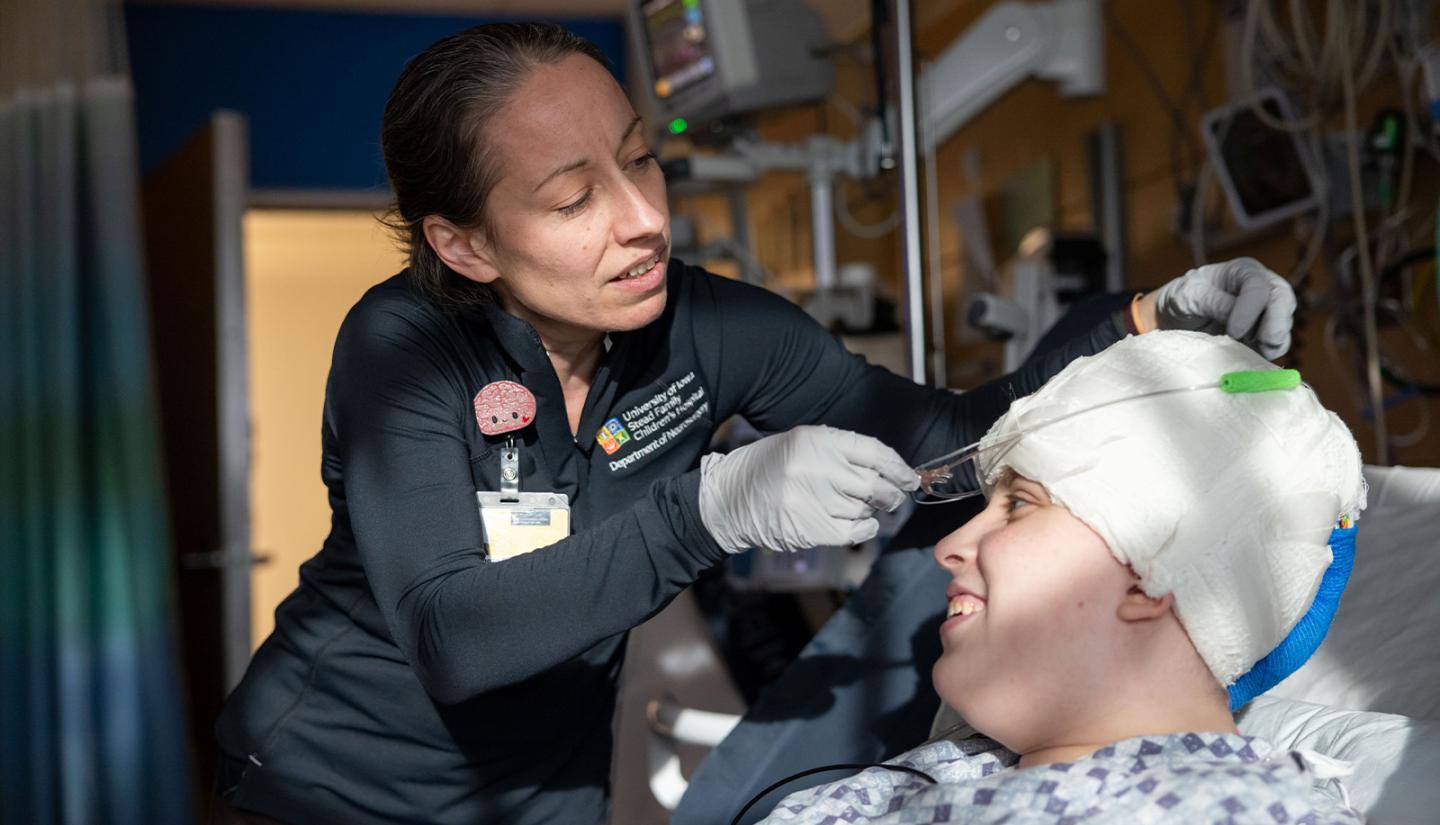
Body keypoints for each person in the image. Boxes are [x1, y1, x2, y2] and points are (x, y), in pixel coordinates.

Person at [211, 22, 1301, 825]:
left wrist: (1141, 320)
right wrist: (711, 507)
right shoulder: (405, 348)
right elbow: (453, 636)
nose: (643, 219)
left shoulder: (704, 325)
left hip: (543, 791)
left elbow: (953, 436)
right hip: (330, 781)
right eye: (573, 196)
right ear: (467, 248)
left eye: (639, 158)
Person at [755, 330, 1367, 824]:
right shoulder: (939, 779)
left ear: (1153, 573)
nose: (948, 545)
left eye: (1019, 504)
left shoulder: (1248, 813)